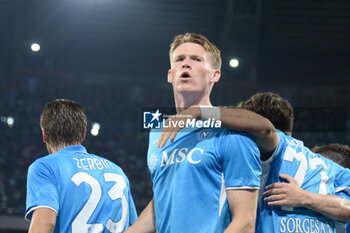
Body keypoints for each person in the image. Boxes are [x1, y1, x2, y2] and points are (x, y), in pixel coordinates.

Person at [126, 33, 262, 233]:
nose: (186, 64)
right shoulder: (157, 133)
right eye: (179, 59)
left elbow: (245, 222)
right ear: (170, 74)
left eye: (196, 59)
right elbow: (163, 202)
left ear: (215, 75)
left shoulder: (232, 132)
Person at [157, 92, 350, 232]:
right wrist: (307, 198)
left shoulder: (276, 144)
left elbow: (265, 128)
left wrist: (201, 112)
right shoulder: (328, 166)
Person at [25, 99, 137, 233]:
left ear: (44, 135)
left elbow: (45, 225)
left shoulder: (44, 167)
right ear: (83, 134)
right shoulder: (118, 171)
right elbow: (137, 228)